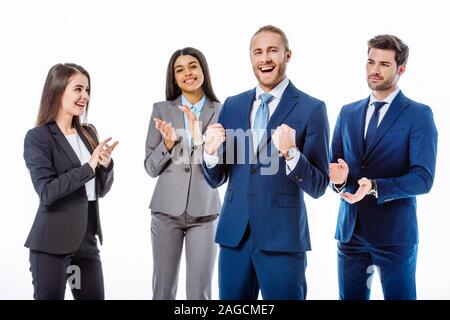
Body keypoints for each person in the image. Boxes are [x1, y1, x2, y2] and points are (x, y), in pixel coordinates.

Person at [201, 25, 330, 300]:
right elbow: (216, 178)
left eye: (273, 50)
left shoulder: (312, 108)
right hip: (235, 238)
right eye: (258, 52)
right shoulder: (233, 105)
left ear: (287, 55)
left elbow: (319, 185)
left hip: (282, 240)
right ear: (250, 58)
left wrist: (292, 154)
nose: (265, 58)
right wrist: (210, 153)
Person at [329, 35, 438, 300]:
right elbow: (335, 169)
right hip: (350, 233)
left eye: (384, 64)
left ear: (401, 69)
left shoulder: (418, 114)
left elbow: (423, 178)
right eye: (370, 62)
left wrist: (375, 187)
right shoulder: (347, 112)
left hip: (395, 236)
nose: (374, 70)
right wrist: (341, 182)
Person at [23, 63, 118, 300]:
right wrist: (89, 167)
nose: (85, 96)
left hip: (87, 241)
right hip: (52, 245)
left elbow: (99, 191)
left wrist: (105, 165)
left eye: (87, 89)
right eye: (78, 89)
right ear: (57, 90)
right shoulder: (38, 137)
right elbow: (47, 192)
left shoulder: (89, 132)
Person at [144, 47, 222, 300]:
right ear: (174, 78)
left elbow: (225, 165)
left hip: (205, 212)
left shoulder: (222, 111)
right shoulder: (161, 110)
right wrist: (166, 145)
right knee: (163, 290)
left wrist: (200, 139)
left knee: (200, 292)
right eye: (179, 70)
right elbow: (150, 168)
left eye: (192, 66)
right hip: (166, 212)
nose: (187, 73)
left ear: (203, 71)